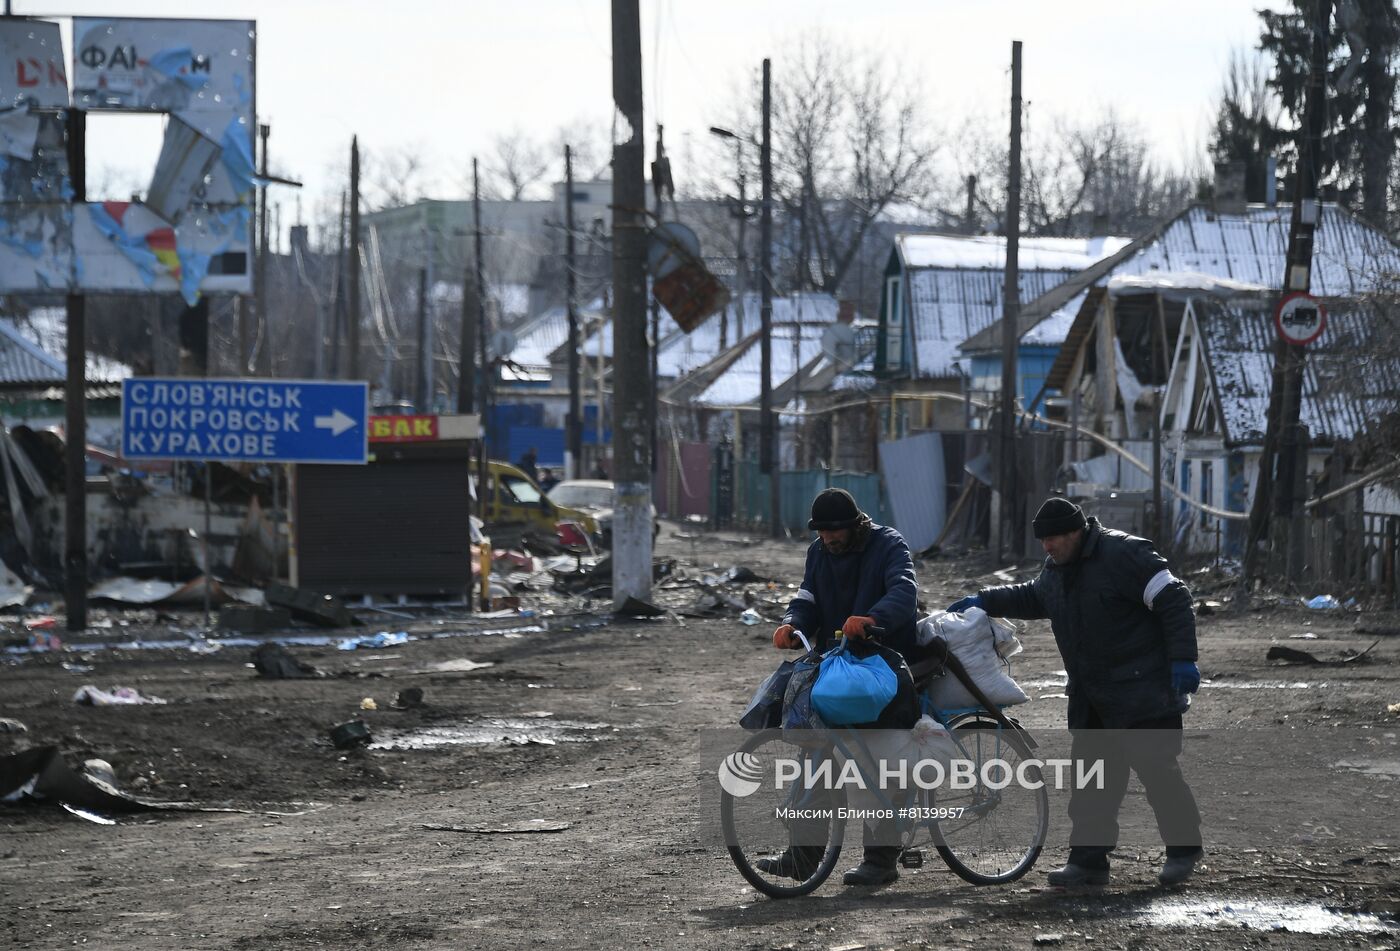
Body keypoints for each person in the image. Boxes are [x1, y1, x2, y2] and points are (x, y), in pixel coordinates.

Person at [947, 497, 1203, 887]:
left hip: (1142, 690)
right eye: (1043, 541)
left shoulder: (1125, 554)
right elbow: (1035, 596)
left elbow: (1174, 599)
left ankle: (1184, 851)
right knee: (1092, 781)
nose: (1047, 547)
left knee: (1157, 773)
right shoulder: (1058, 569)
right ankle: (1088, 863)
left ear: (1076, 532)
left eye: (1053, 539)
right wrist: (986, 599)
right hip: (1092, 697)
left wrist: (1184, 658)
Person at [760, 487, 919, 887]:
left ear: (854, 524)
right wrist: (793, 624)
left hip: (884, 662)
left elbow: (904, 592)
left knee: (878, 756)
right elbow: (806, 598)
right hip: (838, 665)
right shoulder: (818, 553)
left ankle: (881, 860)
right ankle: (802, 857)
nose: (828, 539)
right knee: (818, 749)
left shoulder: (888, 545)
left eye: (835, 531)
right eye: (822, 532)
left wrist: (871, 617)